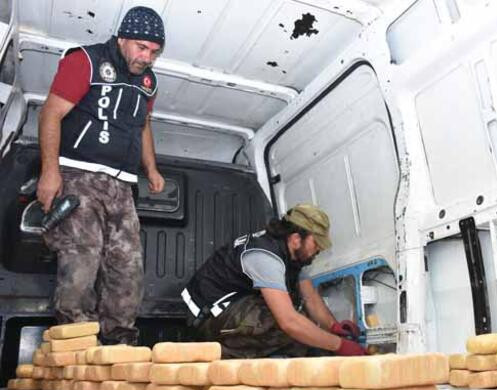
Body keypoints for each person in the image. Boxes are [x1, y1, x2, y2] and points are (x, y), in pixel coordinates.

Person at [36, 6, 166, 344]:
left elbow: (144, 124)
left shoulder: (149, 81)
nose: (147, 57)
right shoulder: (86, 60)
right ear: (122, 38)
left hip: (123, 186)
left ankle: (119, 343)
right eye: (141, 47)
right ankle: (75, 339)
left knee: (128, 267)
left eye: (154, 52)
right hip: (80, 175)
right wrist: (50, 172)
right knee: (82, 258)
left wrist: (151, 168)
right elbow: (50, 113)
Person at [181, 204, 367, 358]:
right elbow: (289, 322)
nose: (319, 249)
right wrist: (339, 345)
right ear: (296, 239)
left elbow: (310, 298)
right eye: (316, 243)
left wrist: (333, 327)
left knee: (305, 327)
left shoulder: (293, 255)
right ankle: (218, 355)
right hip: (207, 318)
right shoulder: (265, 257)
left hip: (235, 307)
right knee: (287, 328)